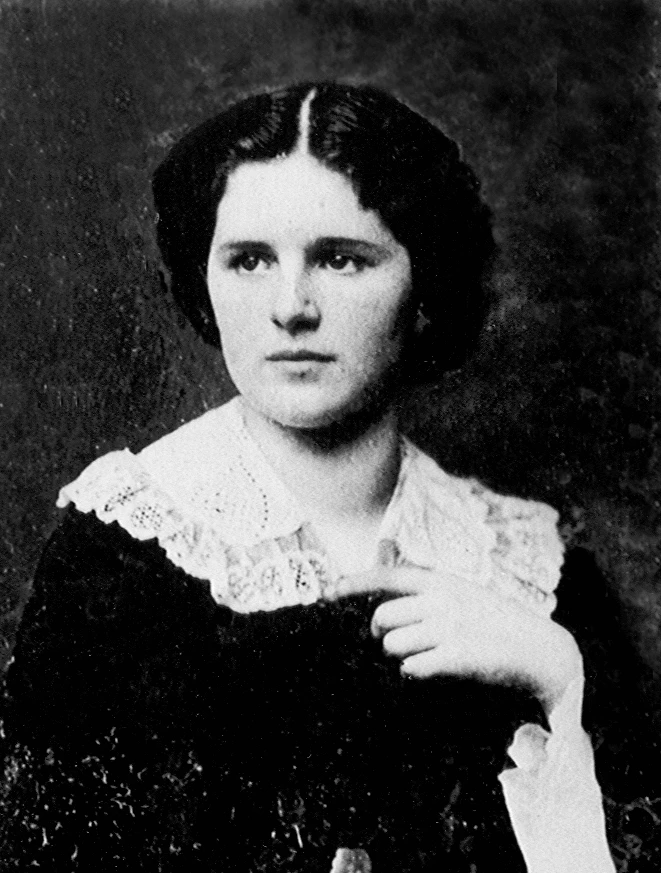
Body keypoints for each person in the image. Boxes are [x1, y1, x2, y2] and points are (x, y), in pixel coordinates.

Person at [0, 81, 641, 871]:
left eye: (340, 258)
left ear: (423, 286)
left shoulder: (537, 571)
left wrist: (559, 681)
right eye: (249, 260)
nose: (289, 306)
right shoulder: (119, 553)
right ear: (205, 280)